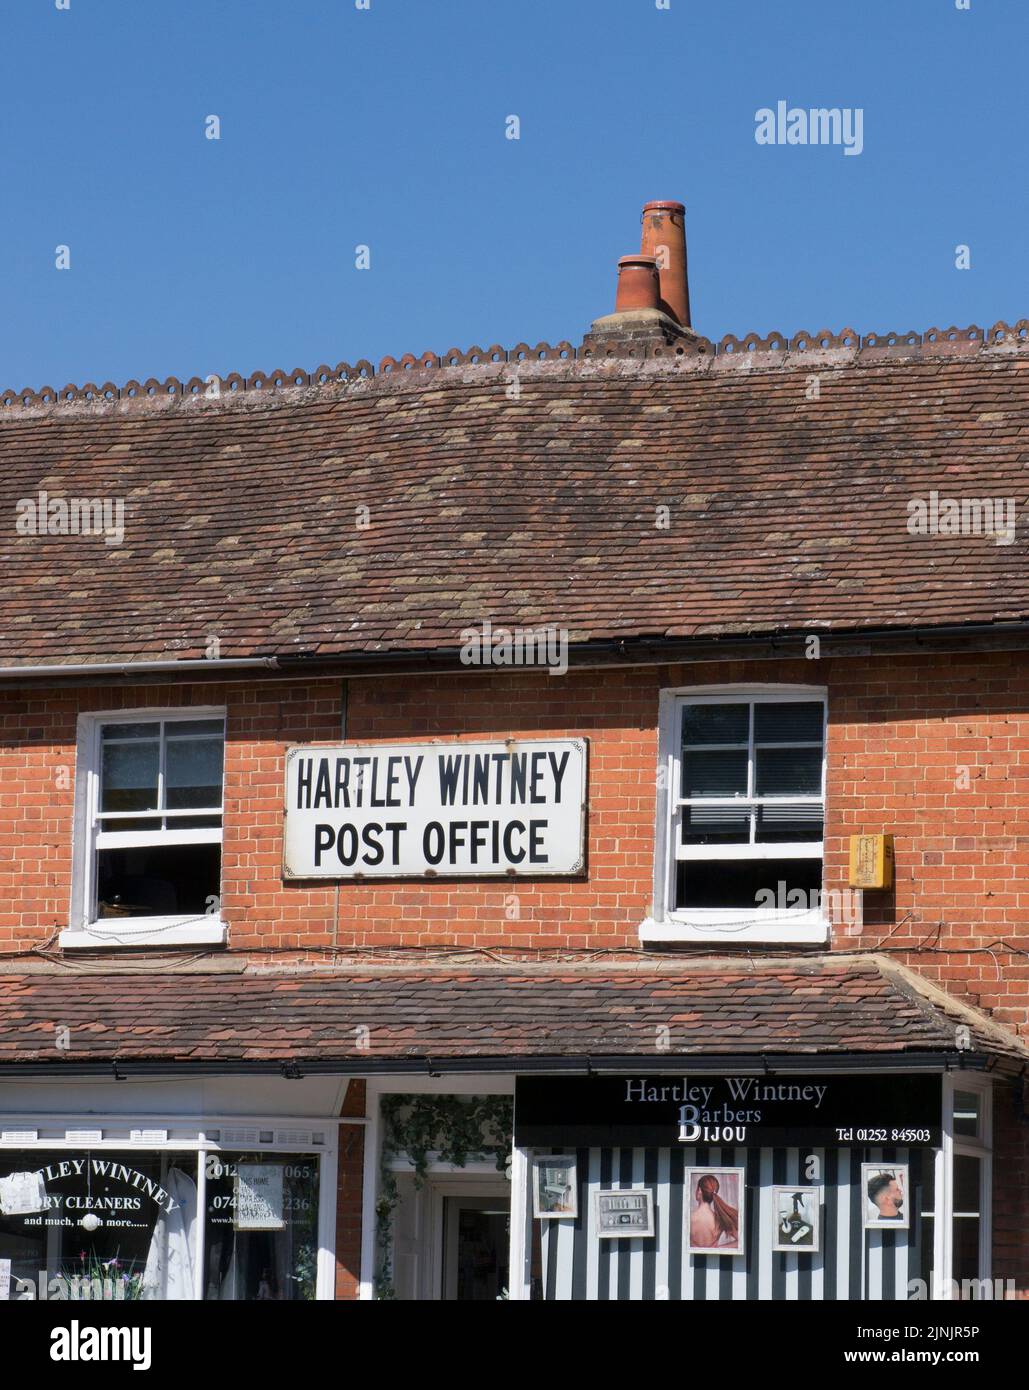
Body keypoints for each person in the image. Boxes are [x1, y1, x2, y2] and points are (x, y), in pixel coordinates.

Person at [690, 1174, 739, 1249]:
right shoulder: (720, 1219)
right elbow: (741, 1241)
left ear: (699, 1190)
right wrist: (718, 1248)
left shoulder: (688, 1218)